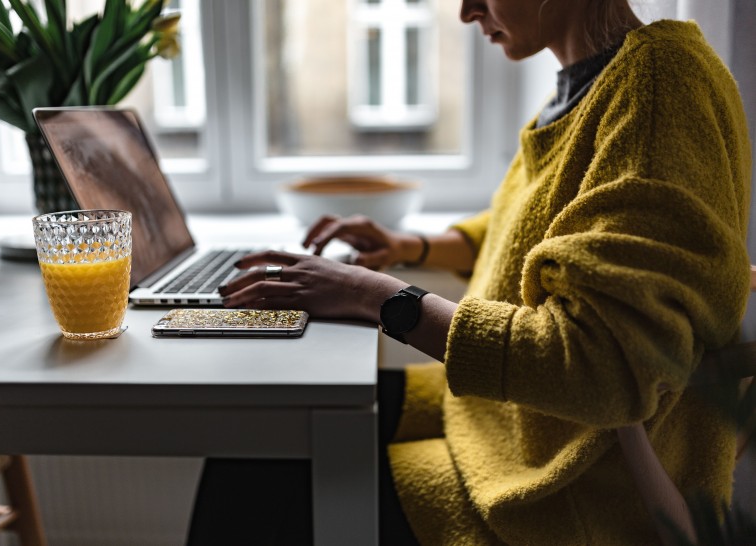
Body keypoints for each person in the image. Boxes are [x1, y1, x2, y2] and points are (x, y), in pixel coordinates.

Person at [187, 0, 752, 544]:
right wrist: (409, 245)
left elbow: (600, 370)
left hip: (573, 490)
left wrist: (379, 298)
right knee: (263, 440)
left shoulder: (657, 88)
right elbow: (538, 223)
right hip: (510, 425)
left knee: (262, 483)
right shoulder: (594, 83)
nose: (466, 10)